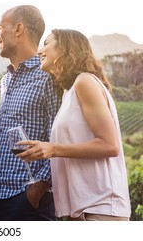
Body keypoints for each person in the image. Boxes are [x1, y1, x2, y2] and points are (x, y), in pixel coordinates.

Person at [17, 29, 131, 221]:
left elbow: (109, 145)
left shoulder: (84, 82)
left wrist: (52, 149)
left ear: (65, 48)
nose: (39, 51)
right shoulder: (69, 91)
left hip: (100, 208)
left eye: (46, 43)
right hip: (81, 210)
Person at [0, 5, 59, 220]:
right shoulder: (5, 80)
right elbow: (2, 137)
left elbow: (59, 138)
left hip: (27, 198)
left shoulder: (49, 77)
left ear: (18, 29)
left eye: (0, 28)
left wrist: (35, 192)